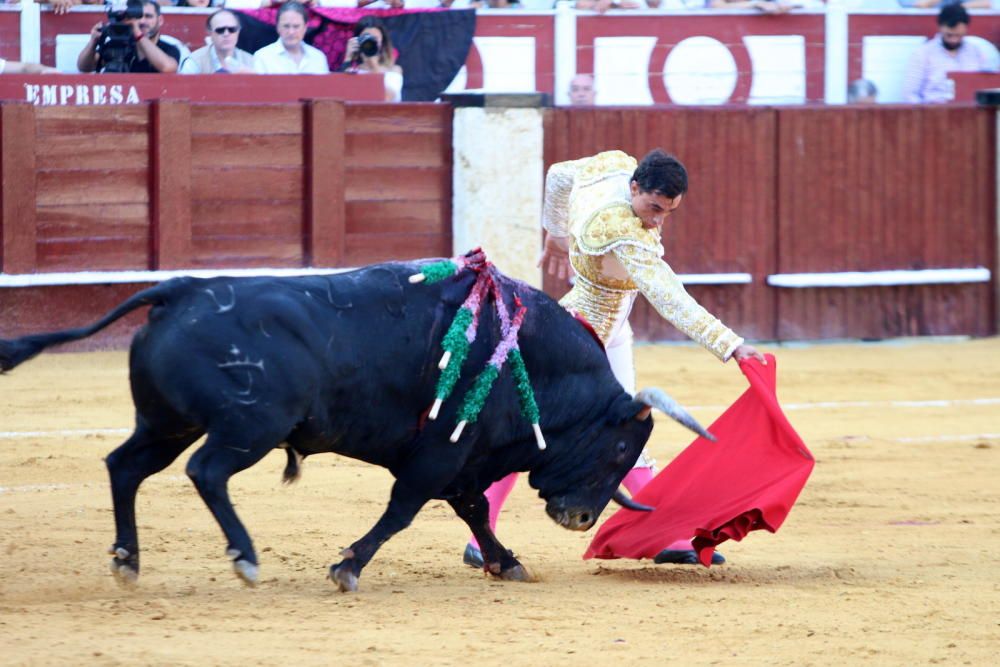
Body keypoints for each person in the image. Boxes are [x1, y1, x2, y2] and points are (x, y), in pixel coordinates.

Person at [462, 149, 765, 569]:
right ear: (634, 188)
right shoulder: (624, 231)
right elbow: (668, 297)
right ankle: (482, 536)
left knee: (627, 429)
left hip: (609, 332)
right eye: (654, 208)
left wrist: (554, 233)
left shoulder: (611, 168)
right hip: (581, 342)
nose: (658, 220)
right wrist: (729, 344)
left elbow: (559, 174)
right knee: (528, 431)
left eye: (669, 212)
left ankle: (666, 534)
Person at [901, 4, 998, 103]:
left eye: (958, 36)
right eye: (949, 35)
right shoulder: (923, 54)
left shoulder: (976, 52)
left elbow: (989, 86)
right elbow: (909, 94)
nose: (954, 40)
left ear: (966, 29)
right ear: (940, 27)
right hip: (935, 112)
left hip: (970, 111)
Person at [76, 0, 180, 74]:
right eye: (137, 17)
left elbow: (168, 68)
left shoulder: (169, 48)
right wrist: (93, 42)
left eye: (148, 16)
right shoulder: (118, 45)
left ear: (160, 20)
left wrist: (138, 34)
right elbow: (84, 67)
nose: (142, 21)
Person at [253, 2, 330, 75]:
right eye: (286, 26)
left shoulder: (318, 57)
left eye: (296, 26)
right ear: (278, 27)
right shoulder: (262, 57)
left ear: (305, 27)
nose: (291, 32)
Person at [339, 16, 404, 102]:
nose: (370, 42)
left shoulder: (394, 70)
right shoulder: (352, 71)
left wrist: (374, 66)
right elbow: (340, 94)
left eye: (375, 39)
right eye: (365, 37)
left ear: (382, 41)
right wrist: (347, 59)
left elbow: (387, 99)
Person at [180, 9, 255, 74]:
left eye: (232, 29)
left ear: (238, 31)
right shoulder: (195, 61)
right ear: (210, 33)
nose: (226, 34)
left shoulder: (250, 60)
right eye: (220, 30)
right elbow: (182, 88)